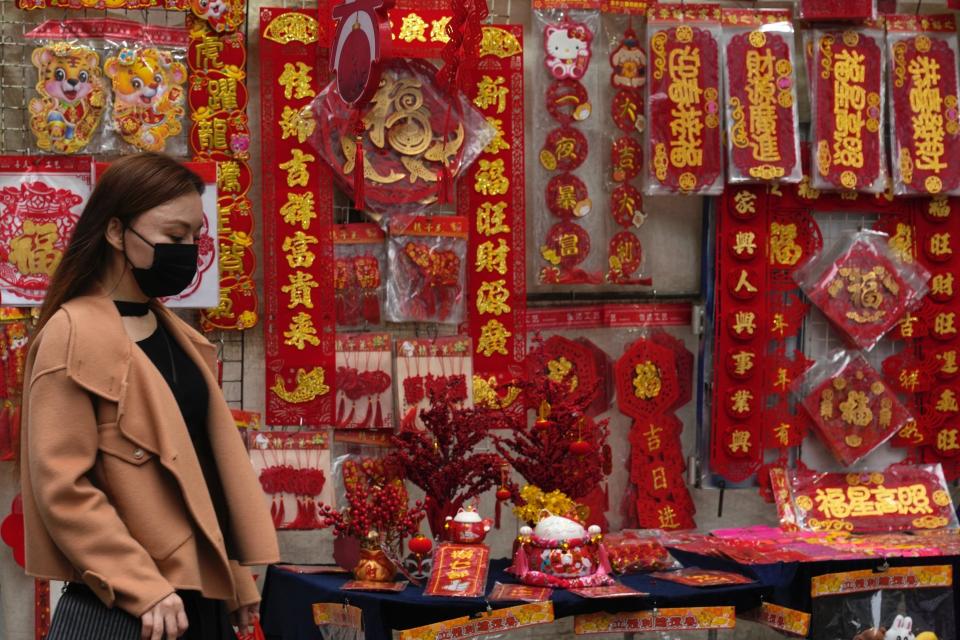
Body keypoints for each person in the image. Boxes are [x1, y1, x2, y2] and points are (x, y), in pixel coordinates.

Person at [18, 152, 279, 640]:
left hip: (197, 601)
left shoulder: (174, 334)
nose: (188, 249)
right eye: (174, 237)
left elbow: (199, 472)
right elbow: (63, 487)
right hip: (137, 607)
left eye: (195, 238)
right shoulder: (73, 334)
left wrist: (234, 576)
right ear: (116, 233)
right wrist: (141, 584)